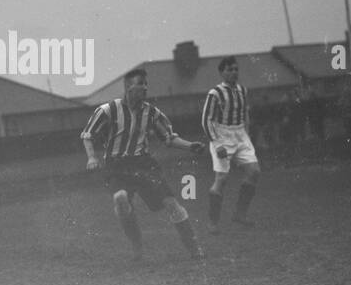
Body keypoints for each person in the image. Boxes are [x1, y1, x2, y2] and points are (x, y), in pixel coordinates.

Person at [81, 68, 205, 260]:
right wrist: (91, 158)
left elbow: (168, 138)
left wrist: (191, 146)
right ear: (129, 87)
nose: (145, 88)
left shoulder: (151, 113)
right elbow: (88, 135)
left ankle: (193, 246)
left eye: (146, 84)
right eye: (141, 84)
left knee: (171, 203)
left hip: (143, 164)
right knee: (120, 199)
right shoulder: (108, 110)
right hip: (117, 165)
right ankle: (137, 246)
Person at [201, 56, 259, 234]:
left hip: (240, 134)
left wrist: (246, 135)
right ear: (222, 72)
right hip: (222, 136)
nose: (234, 72)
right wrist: (217, 143)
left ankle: (240, 214)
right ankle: (213, 222)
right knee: (222, 179)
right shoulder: (215, 93)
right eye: (230, 70)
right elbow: (206, 120)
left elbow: (245, 114)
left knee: (254, 172)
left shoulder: (243, 90)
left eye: (236, 69)